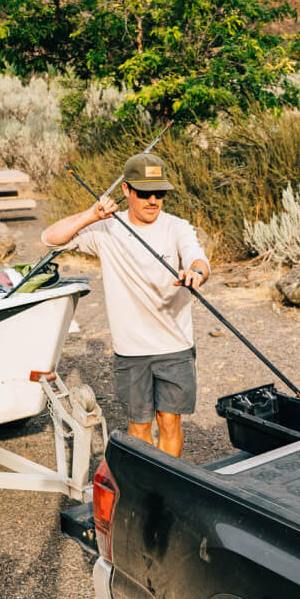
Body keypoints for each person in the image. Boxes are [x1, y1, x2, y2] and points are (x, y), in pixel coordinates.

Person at [41, 153, 210, 457]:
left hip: (175, 344)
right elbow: (51, 238)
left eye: (160, 193)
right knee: (139, 426)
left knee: (170, 423)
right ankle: (144, 488)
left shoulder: (177, 227)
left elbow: (198, 259)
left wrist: (195, 273)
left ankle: (166, 487)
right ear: (127, 190)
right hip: (131, 350)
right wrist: (91, 215)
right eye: (145, 193)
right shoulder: (106, 230)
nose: (153, 200)